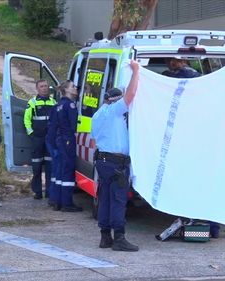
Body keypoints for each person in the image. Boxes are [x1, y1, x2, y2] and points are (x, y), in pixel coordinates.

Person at [91, 60, 140, 252]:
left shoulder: (97, 115)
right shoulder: (114, 112)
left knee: (105, 199)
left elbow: (94, 141)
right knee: (118, 200)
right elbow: (131, 95)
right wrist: (136, 70)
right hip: (116, 163)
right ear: (114, 101)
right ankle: (119, 238)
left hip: (103, 162)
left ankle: (105, 237)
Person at [24, 79, 57, 200]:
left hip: (49, 139)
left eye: (46, 86)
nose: (44, 88)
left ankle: (49, 191)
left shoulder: (53, 102)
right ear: (37, 89)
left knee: (50, 166)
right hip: (37, 138)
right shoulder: (32, 102)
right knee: (36, 167)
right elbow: (26, 119)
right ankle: (37, 192)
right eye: (42, 86)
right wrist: (31, 133)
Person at [55, 80, 82, 212]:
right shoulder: (70, 105)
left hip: (60, 139)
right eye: (73, 86)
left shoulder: (60, 104)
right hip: (68, 140)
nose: (76, 88)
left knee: (60, 170)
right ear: (66, 90)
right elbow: (73, 126)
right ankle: (67, 203)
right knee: (68, 170)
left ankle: (58, 201)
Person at [45, 97, 60, 209]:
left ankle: (53, 197)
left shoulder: (56, 105)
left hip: (53, 140)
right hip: (54, 141)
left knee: (55, 171)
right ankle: (54, 198)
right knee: (56, 171)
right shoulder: (61, 107)